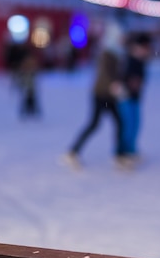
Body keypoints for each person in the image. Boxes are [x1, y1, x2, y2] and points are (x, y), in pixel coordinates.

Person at [63, 22, 125, 169]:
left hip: (108, 95)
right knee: (95, 124)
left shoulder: (115, 51)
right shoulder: (107, 53)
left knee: (118, 123)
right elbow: (106, 74)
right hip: (101, 95)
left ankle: (119, 154)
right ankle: (73, 152)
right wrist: (115, 85)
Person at [116, 32, 153, 169]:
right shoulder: (128, 59)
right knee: (127, 126)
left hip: (135, 97)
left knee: (135, 125)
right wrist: (126, 85)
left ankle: (131, 151)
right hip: (125, 97)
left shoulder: (141, 60)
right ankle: (122, 154)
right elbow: (120, 77)